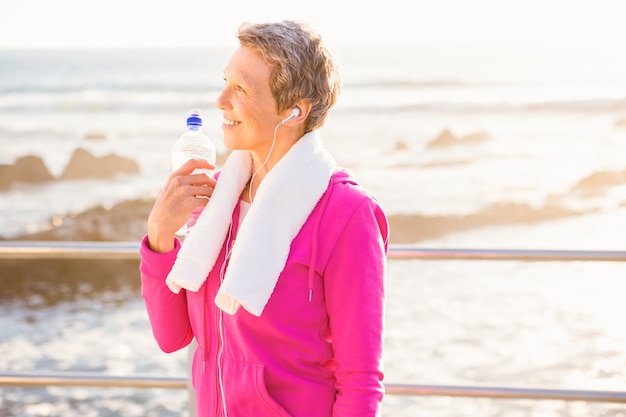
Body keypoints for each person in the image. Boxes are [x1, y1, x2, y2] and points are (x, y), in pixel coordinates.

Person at [139, 20, 389, 417]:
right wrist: (159, 236)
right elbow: (173, 337)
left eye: (241, 88)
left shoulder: (347, 214)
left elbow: (359, 381)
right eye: (225, 83)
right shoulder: (214, 199)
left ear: (294, 112)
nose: (221, 100)